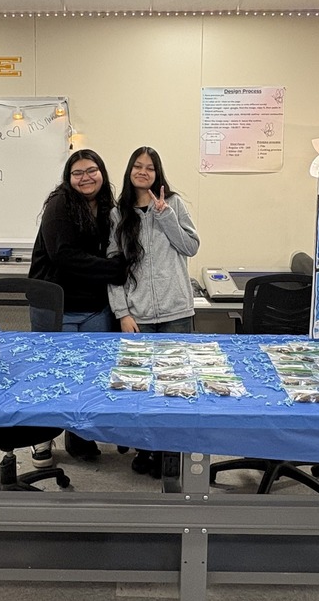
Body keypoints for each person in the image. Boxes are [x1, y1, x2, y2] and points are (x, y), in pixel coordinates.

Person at [28, 149, 127, 464]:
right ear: (68, 178)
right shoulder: (60, 205)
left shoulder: (109, 207)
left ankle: (80, 438)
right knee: (53, 375)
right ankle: (41, 441)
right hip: (57, 305)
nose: (85, 178)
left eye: (91, 170)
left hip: (95, 305)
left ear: (102, 172)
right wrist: (113, 270)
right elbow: (64, 255)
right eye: (78, 173)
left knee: (91, 375)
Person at [108, 146, 200, 475]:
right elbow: (114, 269)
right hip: (139, 315)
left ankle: (171, 450)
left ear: (157, 174)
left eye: (150, 167)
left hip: (176, 312)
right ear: (130, 171)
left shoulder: (172, 204)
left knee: (176, 385)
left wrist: (166, 217)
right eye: (138, 166)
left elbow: (190, 246)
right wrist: (122, 312)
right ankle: (144, 449)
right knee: (141, 387)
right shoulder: (119, 214)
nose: (143, 172)